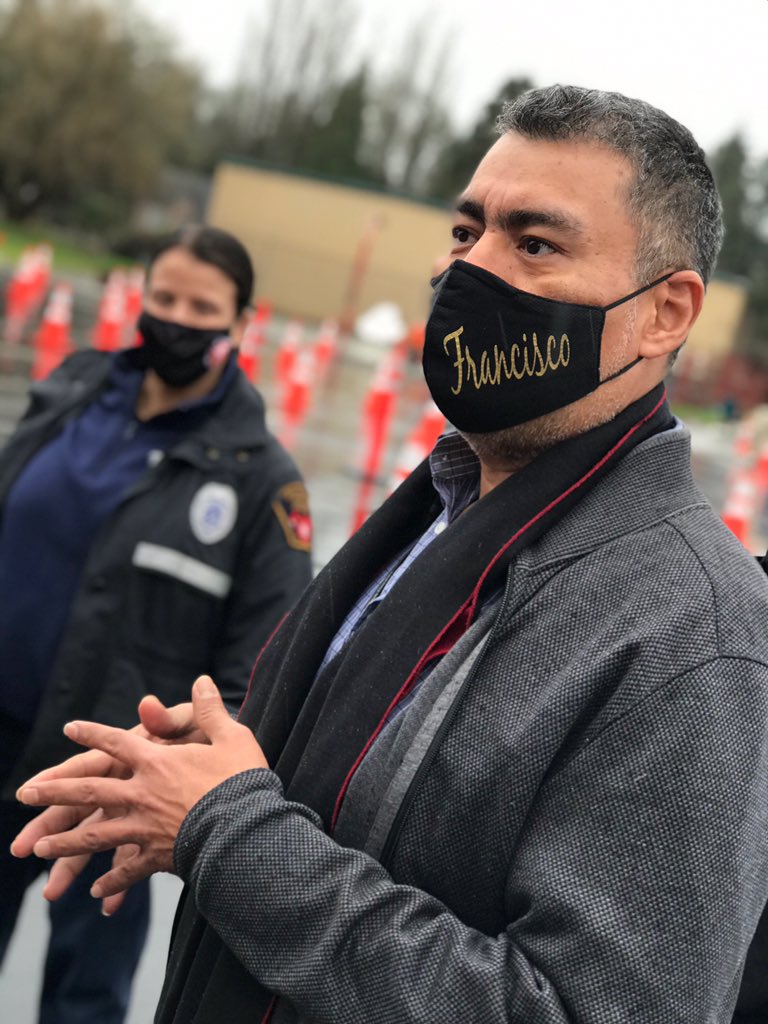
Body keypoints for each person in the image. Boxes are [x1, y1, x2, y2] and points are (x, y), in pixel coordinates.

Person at [12, 86, 768, 1023]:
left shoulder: (697, 637)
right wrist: (214, 766)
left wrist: (229, 831)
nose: (469, 270)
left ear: (666, 313)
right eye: (466, 232)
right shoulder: (443, 508)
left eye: (535, 244)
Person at [0, 224, 313, 1023]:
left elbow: (263, 665)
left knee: (83, 1000)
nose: (178, 318)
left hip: (116, 784)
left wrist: (177, 777)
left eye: (203, 308)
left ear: (242, 322)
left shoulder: (261, 482)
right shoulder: (71, 391)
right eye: (165, 298)